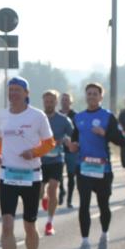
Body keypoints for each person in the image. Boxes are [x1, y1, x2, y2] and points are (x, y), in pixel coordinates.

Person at [0, 77, 55, 249]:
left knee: (29, 225)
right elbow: (1, 141)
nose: (13, 94)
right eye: (10, 90)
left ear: (26, 93)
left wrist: (33, 152)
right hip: (7, 176)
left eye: (17, 90)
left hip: (31, 177)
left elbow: (49, 143)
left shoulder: (37, 116)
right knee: (7, 224)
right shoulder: (2, 115)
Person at [69, 82, 125, 249]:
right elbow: (75, 141)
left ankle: (104, 235)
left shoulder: (108, 117)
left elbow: (121, 141)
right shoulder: (78, 117)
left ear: (101, 97)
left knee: (103, 205)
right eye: (89, 93)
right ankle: (85, 243)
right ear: (85, 96)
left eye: (95, 94)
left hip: (103, 168)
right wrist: (72, 147)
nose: (92, 96)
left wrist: (105, 133)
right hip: (84, 167)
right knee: (84, 204)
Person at [40, 90, 73, 235]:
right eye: (46, 101)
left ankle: (49, 223)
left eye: (51, 101)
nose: (49, 104)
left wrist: (66, 139)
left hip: (57, 159)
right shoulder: (38, 118)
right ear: (43, 102)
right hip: (39, 159)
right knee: (40, 192)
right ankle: (44, 198)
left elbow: (73, 135)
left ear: (56, 102)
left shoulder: (64, 120)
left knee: (53, 188)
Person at [59, 92, 79, 207]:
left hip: (71, 150)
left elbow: (78, 132)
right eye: (63, 99)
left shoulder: (75, 116)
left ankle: (69, 200)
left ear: (71, 102)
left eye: (67, 99)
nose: (65, 101)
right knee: (58, 174)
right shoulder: (57, 115)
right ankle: (61, 190)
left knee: (71, 175)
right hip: (59, 149)